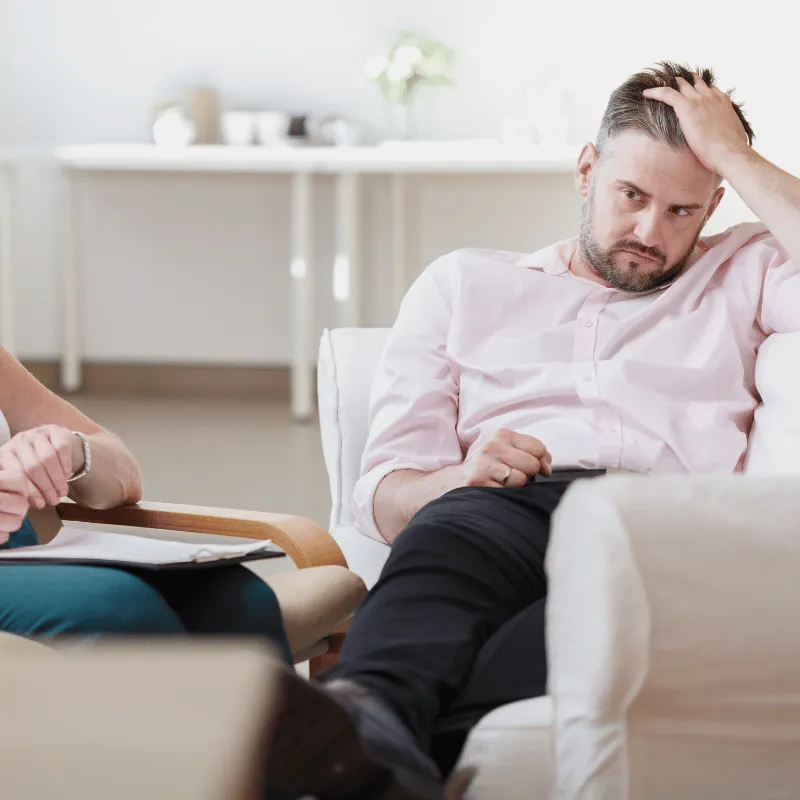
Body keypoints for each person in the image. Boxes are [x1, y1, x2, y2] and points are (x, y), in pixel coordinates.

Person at [263, 61, 800, 799]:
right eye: (632, 195)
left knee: (583, 625)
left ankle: (365, 747)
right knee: (444, 556)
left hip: (662, 525)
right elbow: (385, 501)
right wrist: (461, 475)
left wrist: (737, 157)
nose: (650, 231)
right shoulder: (466, 284)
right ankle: (369, 721)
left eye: (682, 210)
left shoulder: (747, 267)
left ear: (712, 207)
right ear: (587, 171)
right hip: (501, 504)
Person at [0, 348, 290, 658]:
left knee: (239, 600)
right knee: (119, 609)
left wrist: (71, 450)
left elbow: (124, 476)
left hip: (20, 555)